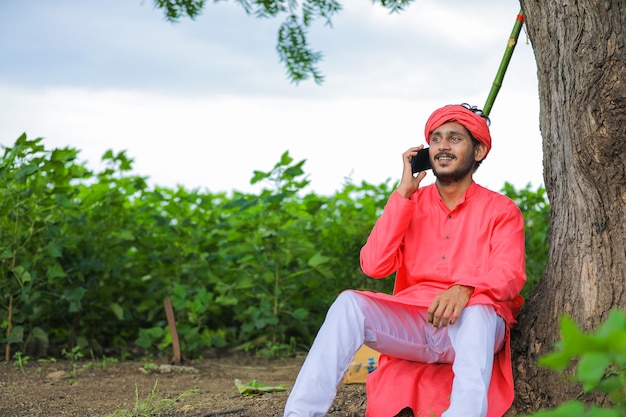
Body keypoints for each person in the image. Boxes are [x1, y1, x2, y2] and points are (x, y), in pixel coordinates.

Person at [283, 103, 526, 417]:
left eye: (454, 139)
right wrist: (403, 195)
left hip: (469, 327)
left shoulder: (502, 210)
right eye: (436, 139)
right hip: (415, 324)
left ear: (478, 151)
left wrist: (465, 289)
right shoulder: (410, 202)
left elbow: (510, 275)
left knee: (480, 311)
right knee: (349, 304)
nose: (443, 146)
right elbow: (373, 265)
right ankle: (300, 413)